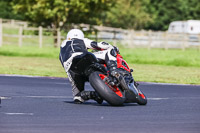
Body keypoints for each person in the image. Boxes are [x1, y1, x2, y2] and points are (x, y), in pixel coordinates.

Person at [59, 29, 120, 104]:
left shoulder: (61, 51)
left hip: (72, 71)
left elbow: (66, 67)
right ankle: (114, 71)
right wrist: (112, 47)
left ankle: (93, 95)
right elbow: (100, 45)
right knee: (109, 51)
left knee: (78, 97)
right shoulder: (81, 40)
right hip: (82, 58)